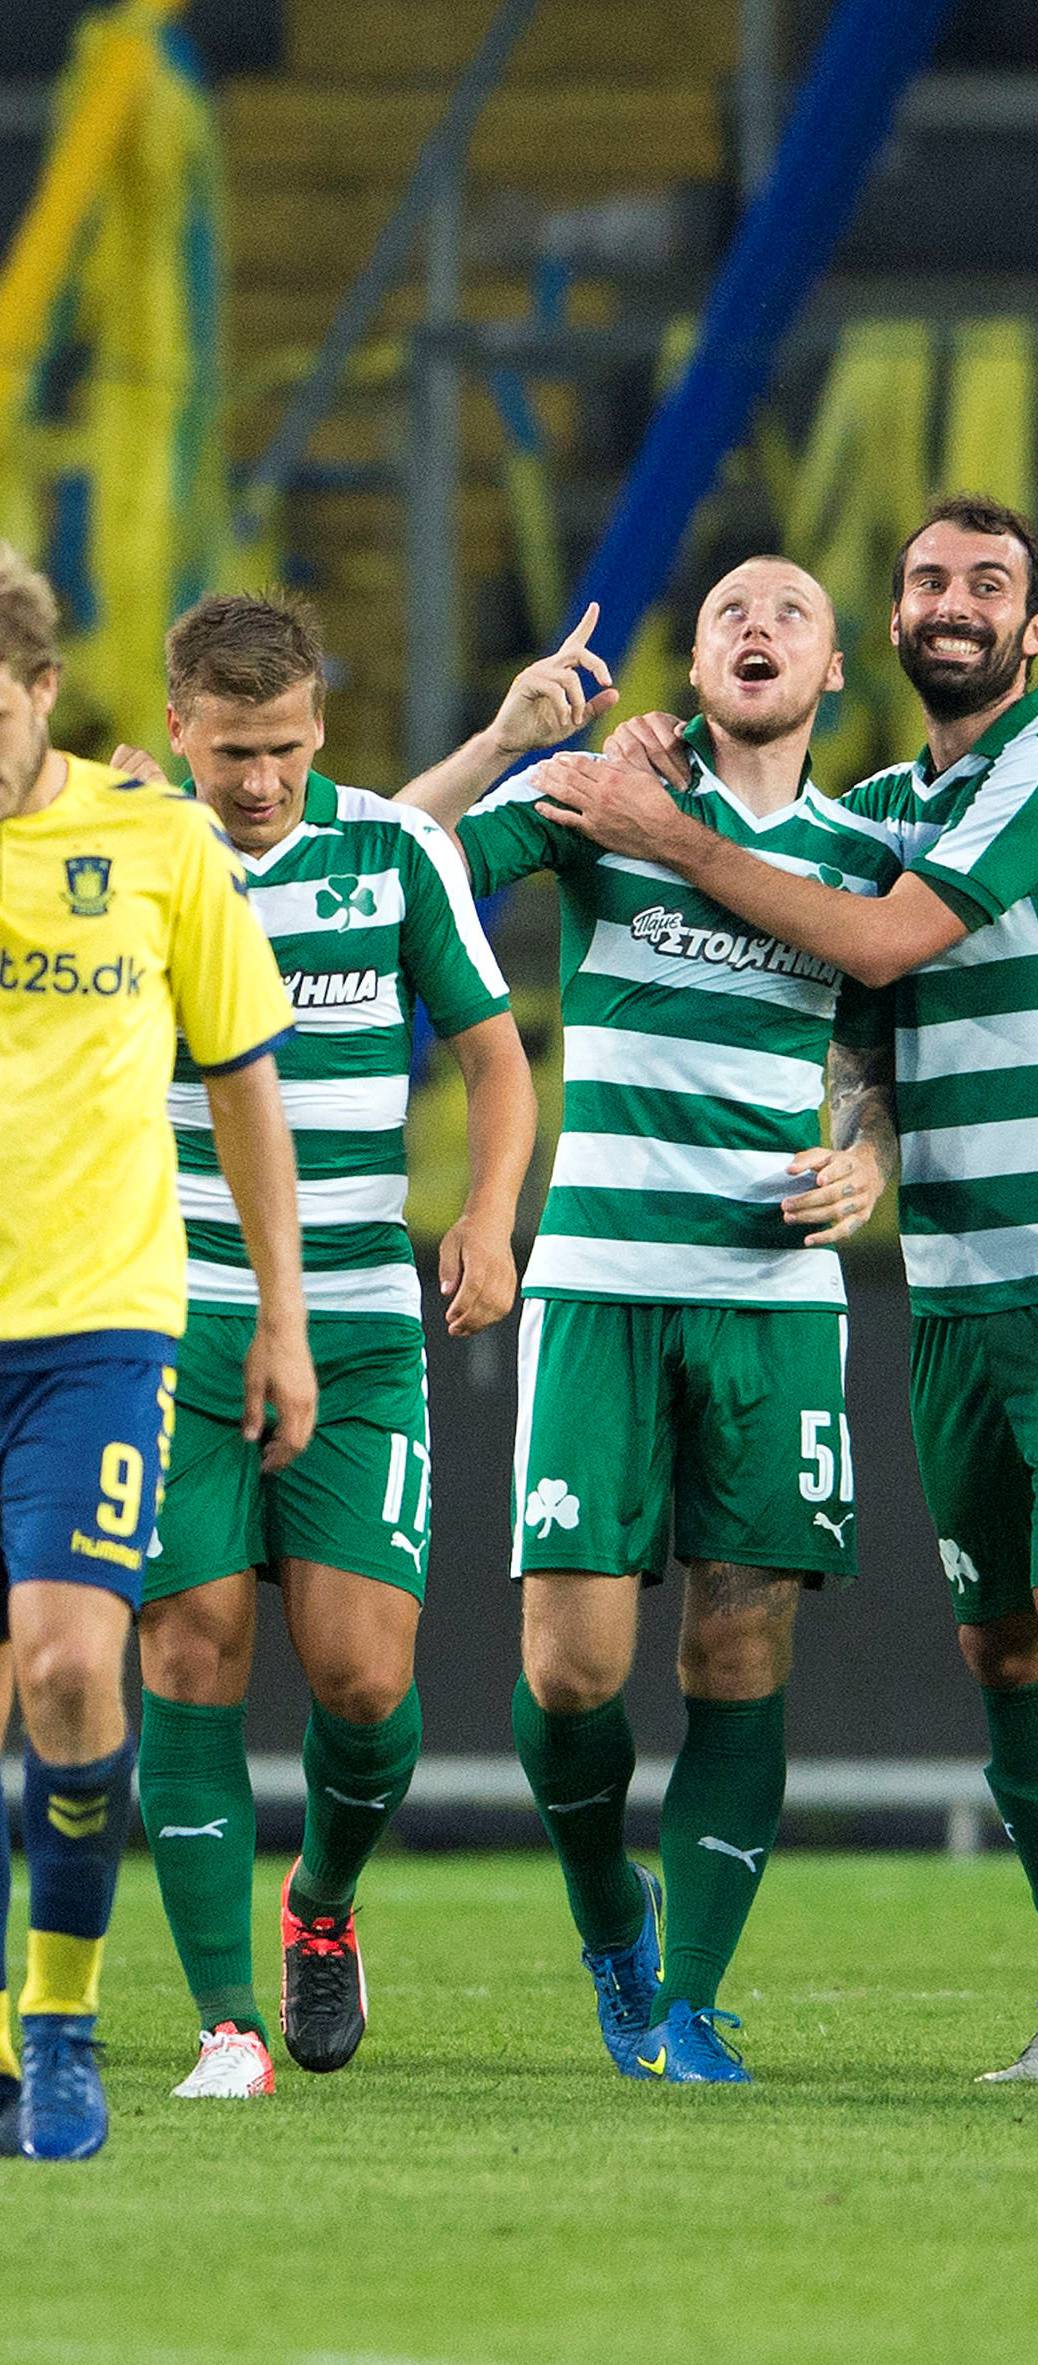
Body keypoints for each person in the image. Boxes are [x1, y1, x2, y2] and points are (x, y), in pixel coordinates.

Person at [534, 497, 1038, 2091]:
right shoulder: (884, 807)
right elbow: (855, 1029)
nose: (950, 603)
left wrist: (675, 832)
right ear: (880, 632)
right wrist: (867, 1145)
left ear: (1034, 631)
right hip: (953, 1287)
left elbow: (885, 947)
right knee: (1001, 1652)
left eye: (987, 584)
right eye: (924, 581)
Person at [409, 558, 896, 2085]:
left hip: (770, 1301)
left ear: (829, 677)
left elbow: (886, 1041)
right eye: (730, 612)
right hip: (602, 1287)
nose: (758, 627)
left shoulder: (864, 851)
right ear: (694, 665)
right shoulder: (601, 803)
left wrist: (870, 1147)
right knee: (570, 1671)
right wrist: (504, 744)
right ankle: (616, 1914)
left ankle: (685, 2000)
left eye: (791, 615)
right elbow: (394, 874)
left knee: (740, 1648)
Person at [114, 591, 539, 2101]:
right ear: (177, 726)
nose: (258, 782)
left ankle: (323, 1905)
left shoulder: (396, 854)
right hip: (172, 1319)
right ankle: (229, 2016)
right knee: (189, 1644)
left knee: (365, 1680)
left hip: (358, 1325)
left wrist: (488, 1218)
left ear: (319, 726)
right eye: (231, 751)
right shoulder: (128, 864)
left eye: (285, 747)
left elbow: (499, 1063)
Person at [0, 545, 310, 2159]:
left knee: (66, 1666)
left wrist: (285, 1310)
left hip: (98, 1326)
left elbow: (245, 1076)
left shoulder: (156, 844)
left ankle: (59, 2018)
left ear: (44, 693)